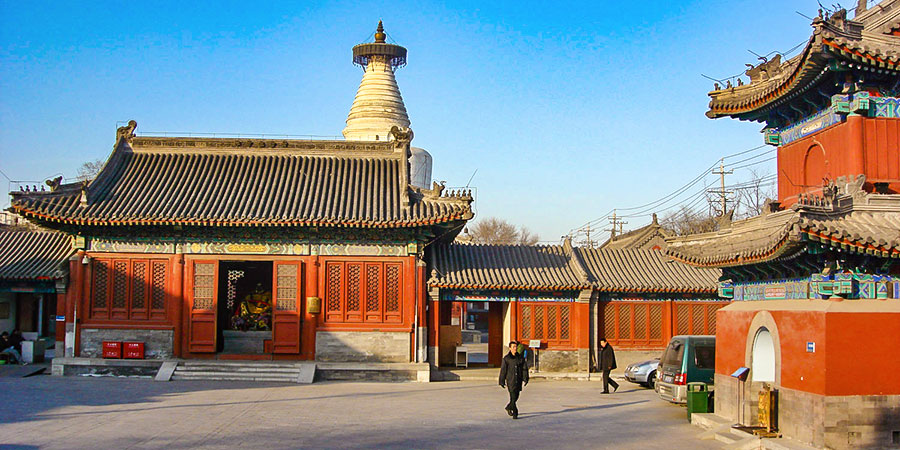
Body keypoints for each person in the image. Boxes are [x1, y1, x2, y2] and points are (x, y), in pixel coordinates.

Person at [499, 340, 529, 419]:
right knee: (512, 396)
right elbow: (503, 370)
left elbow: (524, 369)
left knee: (516, 396)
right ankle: (515, 412)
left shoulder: (520, 358)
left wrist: (525, 378)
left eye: (516, 347)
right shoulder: (506, 358)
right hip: (510, 380)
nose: (515, 348)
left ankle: (509, 407)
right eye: (513, 347)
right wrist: (501, 381)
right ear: (510, 348)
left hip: (518, 380)